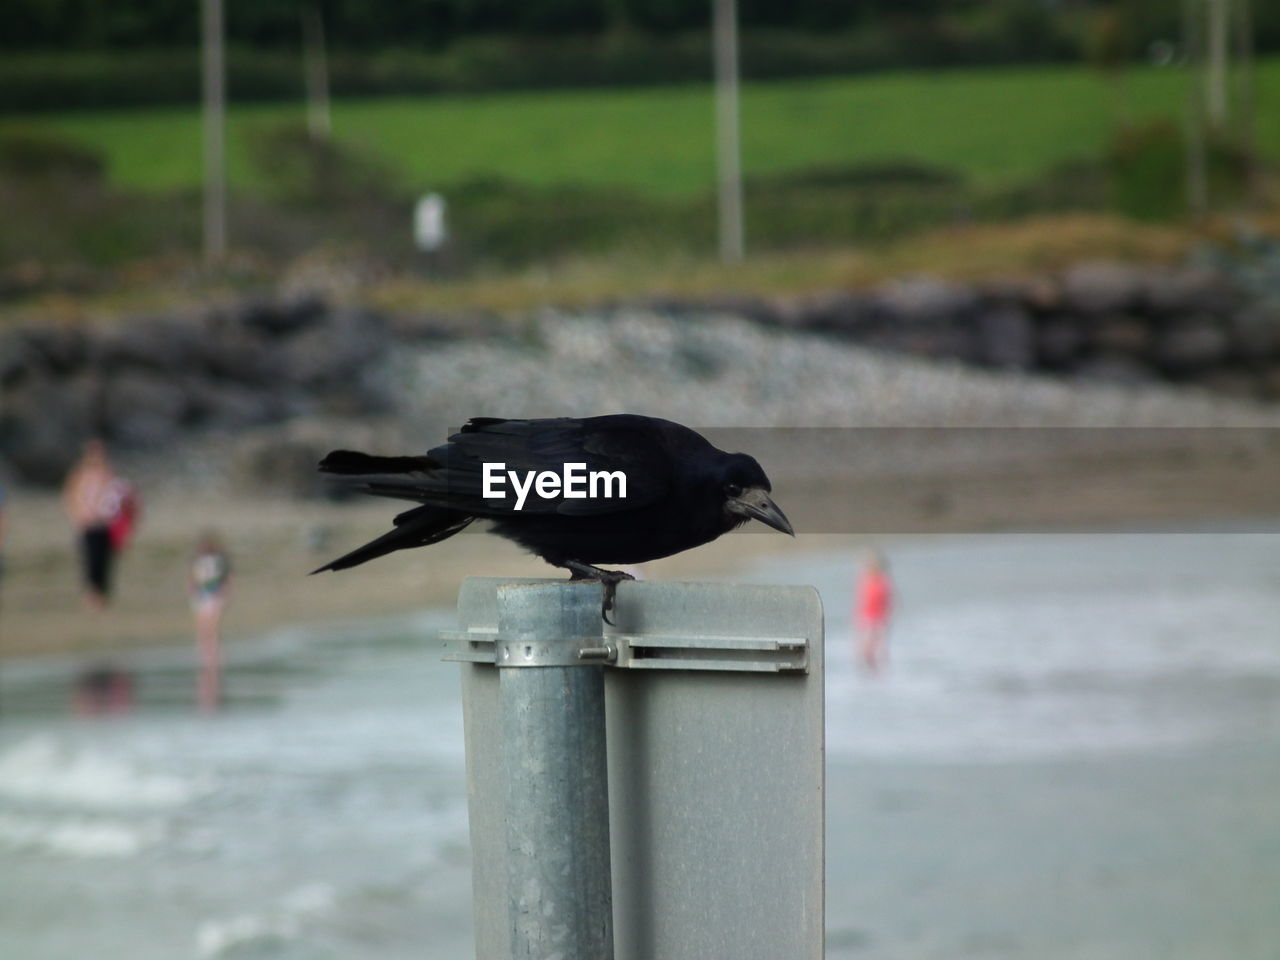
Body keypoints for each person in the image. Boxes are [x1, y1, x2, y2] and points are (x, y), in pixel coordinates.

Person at [62, 438, 132, 610]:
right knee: (90, 559)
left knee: (105, 559)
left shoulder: (109, 473)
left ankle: (103, 595)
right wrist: (76, 515)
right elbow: (69, 495)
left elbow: (119, 495)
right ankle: (92, 595)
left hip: (106, 523)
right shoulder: (80, 474)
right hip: (88, 522)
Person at [189, 532, 231, 712]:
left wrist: (226, 591)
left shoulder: (218, 561)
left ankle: (212, 655)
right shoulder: (198, 561)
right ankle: (206, 653)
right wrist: (191, 590)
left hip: (213, 593)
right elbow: (192, 577)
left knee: (212, 626)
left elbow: (226, 577)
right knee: (203, 626)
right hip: (203, 593)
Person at [855, 549, 893, 673]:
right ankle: (869, 673)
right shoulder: (865, 580)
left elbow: (889, 603)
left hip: (879, 620)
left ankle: (878, 674)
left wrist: (886, 620)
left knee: (879, 650)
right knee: (865, 651)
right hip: (866, 619)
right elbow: (860, 602)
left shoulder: (883, 582)